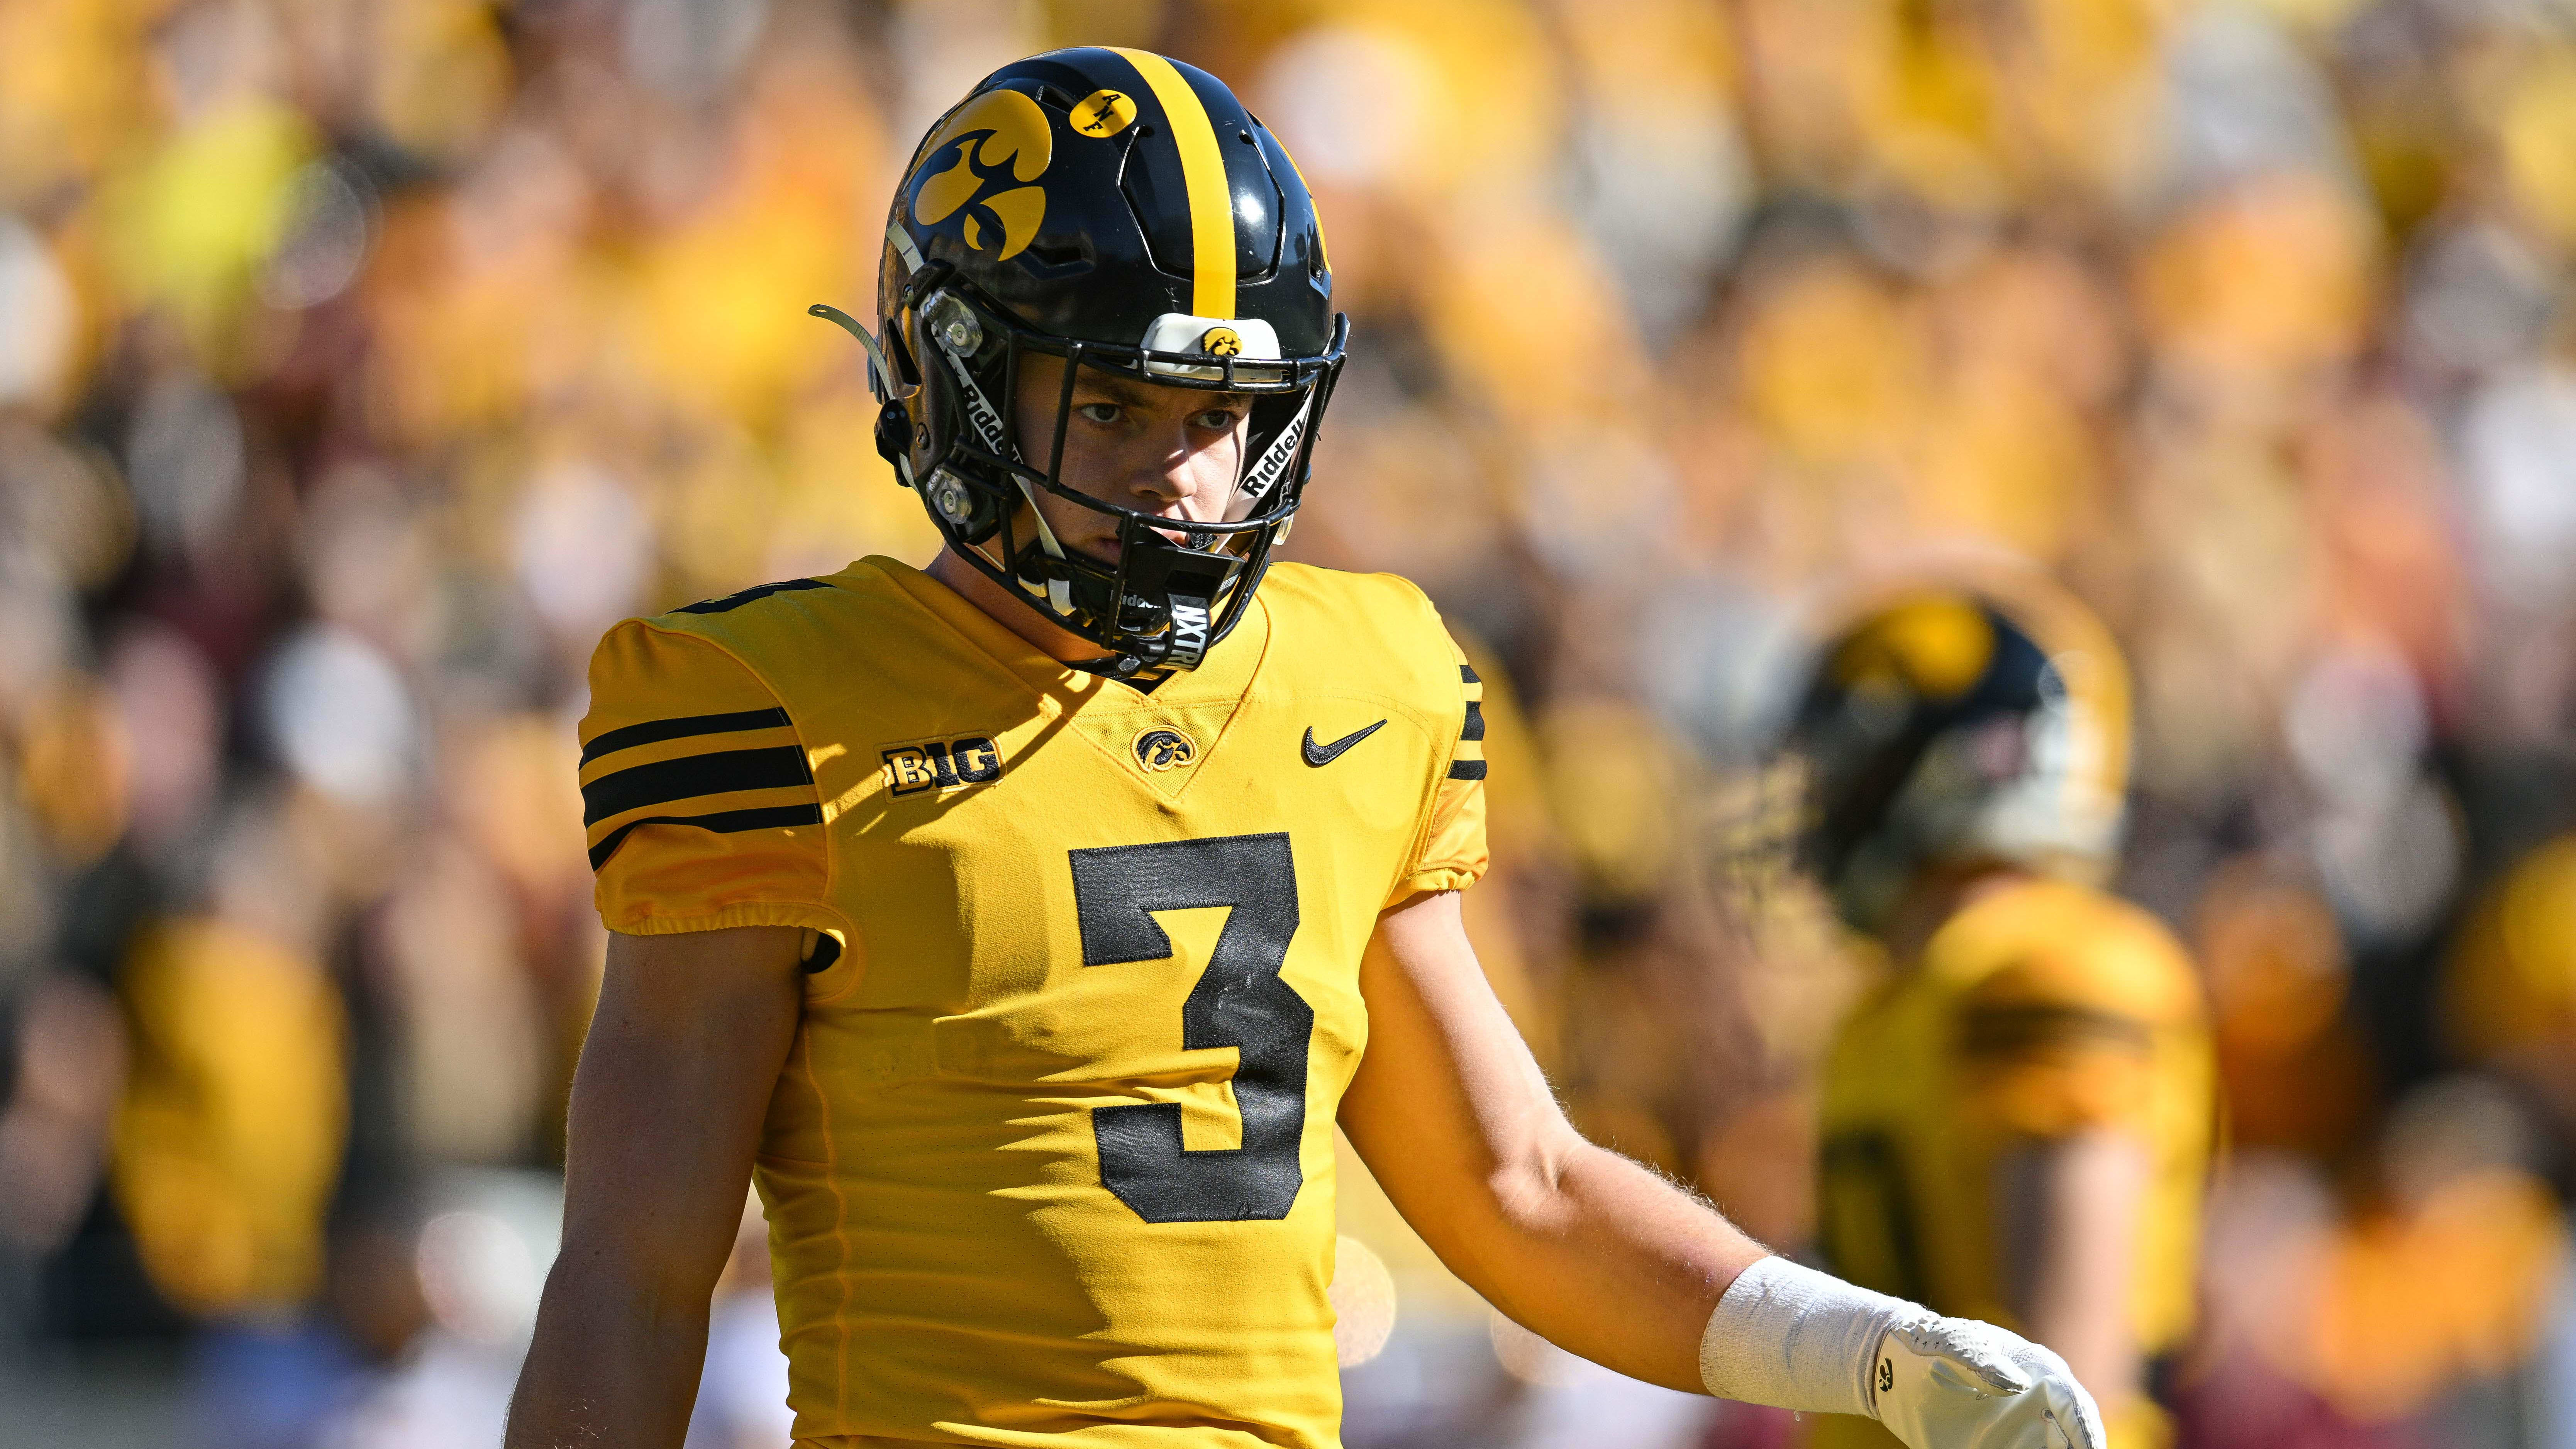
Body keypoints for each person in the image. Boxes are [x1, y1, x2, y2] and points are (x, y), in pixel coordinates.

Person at [502, 48, 2105, 1449]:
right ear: (956, 377)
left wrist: (1862, 1347)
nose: (1191, 478)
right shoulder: (766, 703)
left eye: (1222, 415)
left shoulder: (1369, 675)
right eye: (1118, 409)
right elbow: (638, 1264)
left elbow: (1520, 1183)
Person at [1778, 581, 2215, 1449]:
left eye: (1848, 761)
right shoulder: (1896, 1005)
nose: (1820, 803)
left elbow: (2064, 1375)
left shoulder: (2053, 969)